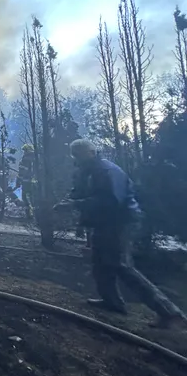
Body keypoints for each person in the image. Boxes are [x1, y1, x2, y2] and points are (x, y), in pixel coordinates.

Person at [55, 139, 186, 328]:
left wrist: (76, 204)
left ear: (92, 152)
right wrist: (69, 200)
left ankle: (170, 313)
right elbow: (80, 191)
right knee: (99, 262)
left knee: (121, 265)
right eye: (74, 154)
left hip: (120, 222)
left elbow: (111, 200)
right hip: (104, 222)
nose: (76, 158)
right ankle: (112, 302)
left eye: (79, 154)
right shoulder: (87, 170)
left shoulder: (108, 171)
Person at [15, 144, 36, 219]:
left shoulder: (25, 159)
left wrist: (18, 180)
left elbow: (22, 171)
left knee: (25, 197)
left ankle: (29, 215)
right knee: (33, 198)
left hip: (26, 181)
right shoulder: (35, 158)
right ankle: (36, 215)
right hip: (34, 182)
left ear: (27, 151)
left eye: (24, 151)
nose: (23, 152)